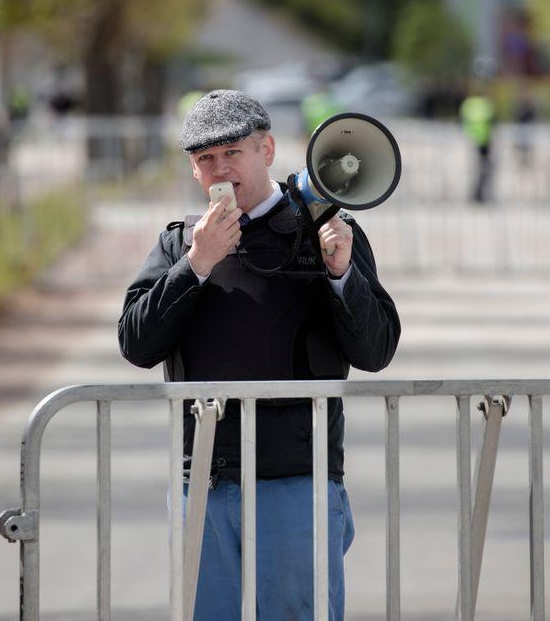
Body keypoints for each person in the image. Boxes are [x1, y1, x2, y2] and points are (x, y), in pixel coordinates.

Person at [118, 89, 400, 620]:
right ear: (194, 171)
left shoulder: (328, 232)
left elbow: (377, 349)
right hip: (204, 476)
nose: (221, 168)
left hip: (298, 478)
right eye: (206, 159)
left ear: (266, 150)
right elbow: (136, 343)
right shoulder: (181, 244)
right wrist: (197, 265)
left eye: (233, 154)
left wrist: (341, 275)